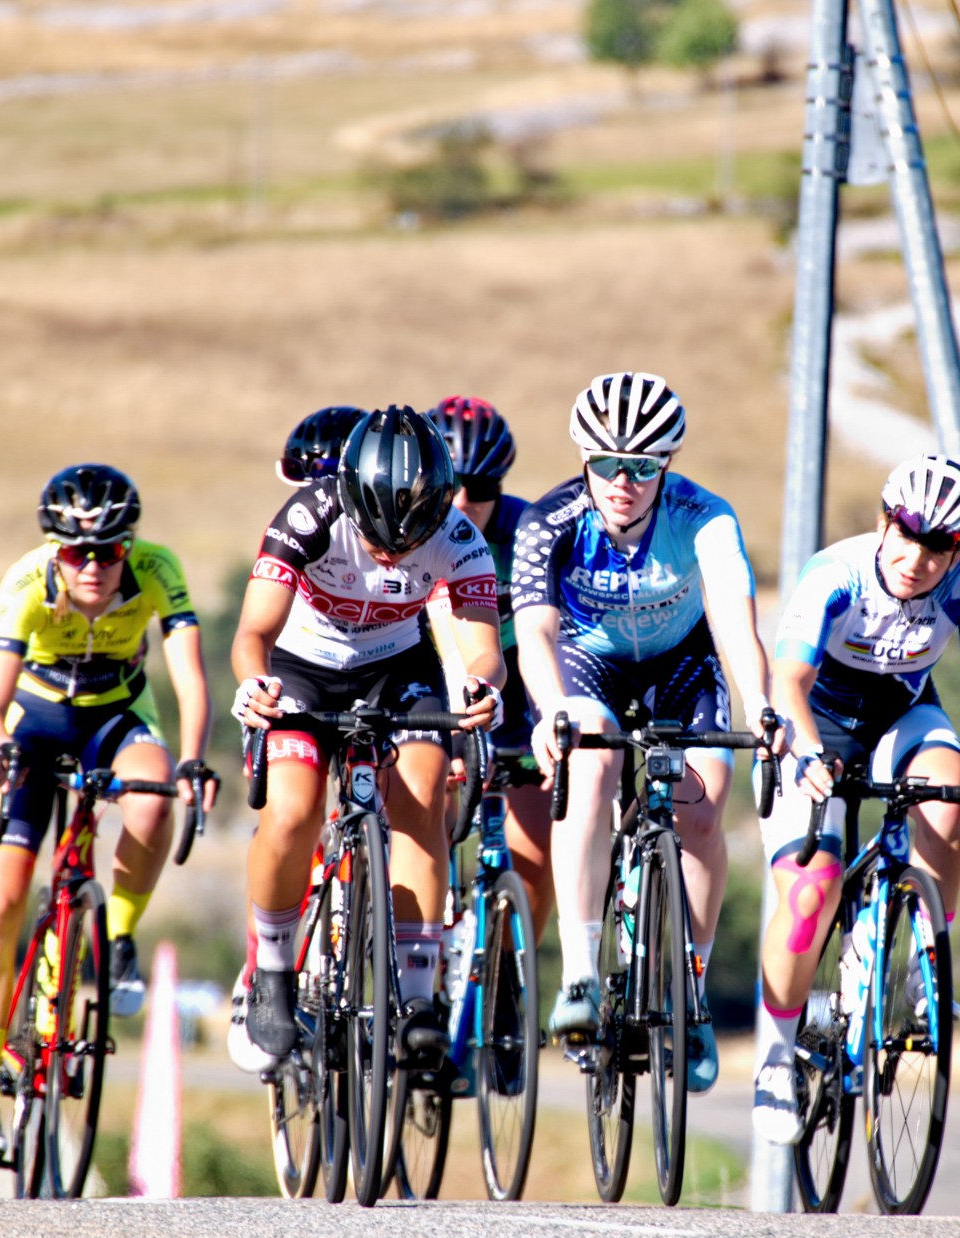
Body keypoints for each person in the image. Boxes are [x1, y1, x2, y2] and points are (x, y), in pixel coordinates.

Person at [747, 456, 960, 1143]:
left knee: (947, 784)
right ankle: (776, 1054)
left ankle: (919, 971)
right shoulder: (836, 572)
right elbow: (788, 678)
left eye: (937, 546)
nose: (916, 557)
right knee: (811, 888)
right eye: (906, 534)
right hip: (813, 723)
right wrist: (811, 751)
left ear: (959, 549)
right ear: (885, 521)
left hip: (901, 718)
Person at [513, 371, 774, 1094]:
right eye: (605, 464)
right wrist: (552, 709)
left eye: (642, 466)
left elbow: (732, 621)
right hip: (589, 663)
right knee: (591, 768)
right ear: (583, 460)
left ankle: (689, 993)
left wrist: (763, 707)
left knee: (702, 805)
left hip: (680, 660)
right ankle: (581, 974)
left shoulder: (705, 516)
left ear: (669, 464)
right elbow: (535, 630)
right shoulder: (549, 520)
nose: (622, 481)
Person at [228, 405, 502, 1076]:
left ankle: (414, 998)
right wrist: (253, 683)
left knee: (422, 788)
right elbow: (253, 635)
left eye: (409, 542)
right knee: (291, 812)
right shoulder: (306, 517)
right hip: (301, 667)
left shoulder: (460, 535)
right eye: (378, 540)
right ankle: (270, 970)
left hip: (394, 667)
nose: (392, 552)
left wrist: (481, 689)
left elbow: (481, 649)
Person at [0, 464, 215, 1165]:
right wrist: (1, 749)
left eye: (108, 550)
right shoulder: (26, 583)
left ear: (129, 545)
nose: (93, 566)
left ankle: (119, 937)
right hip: (33, 722)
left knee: (153, 793)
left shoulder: (159, 568)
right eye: (77, 552)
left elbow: (190, 679)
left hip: (116, 717)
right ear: (55, 549)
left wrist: (192, 759)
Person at [427, 395, 556, 942]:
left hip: (512, 693)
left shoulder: (528, 531)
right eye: (451, 484)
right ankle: (421, 973)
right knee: (424, 820)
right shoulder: (411, 529)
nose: (463, 501)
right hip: (429, 683)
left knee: (533, 851)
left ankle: (508, 976)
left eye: (480, 489)